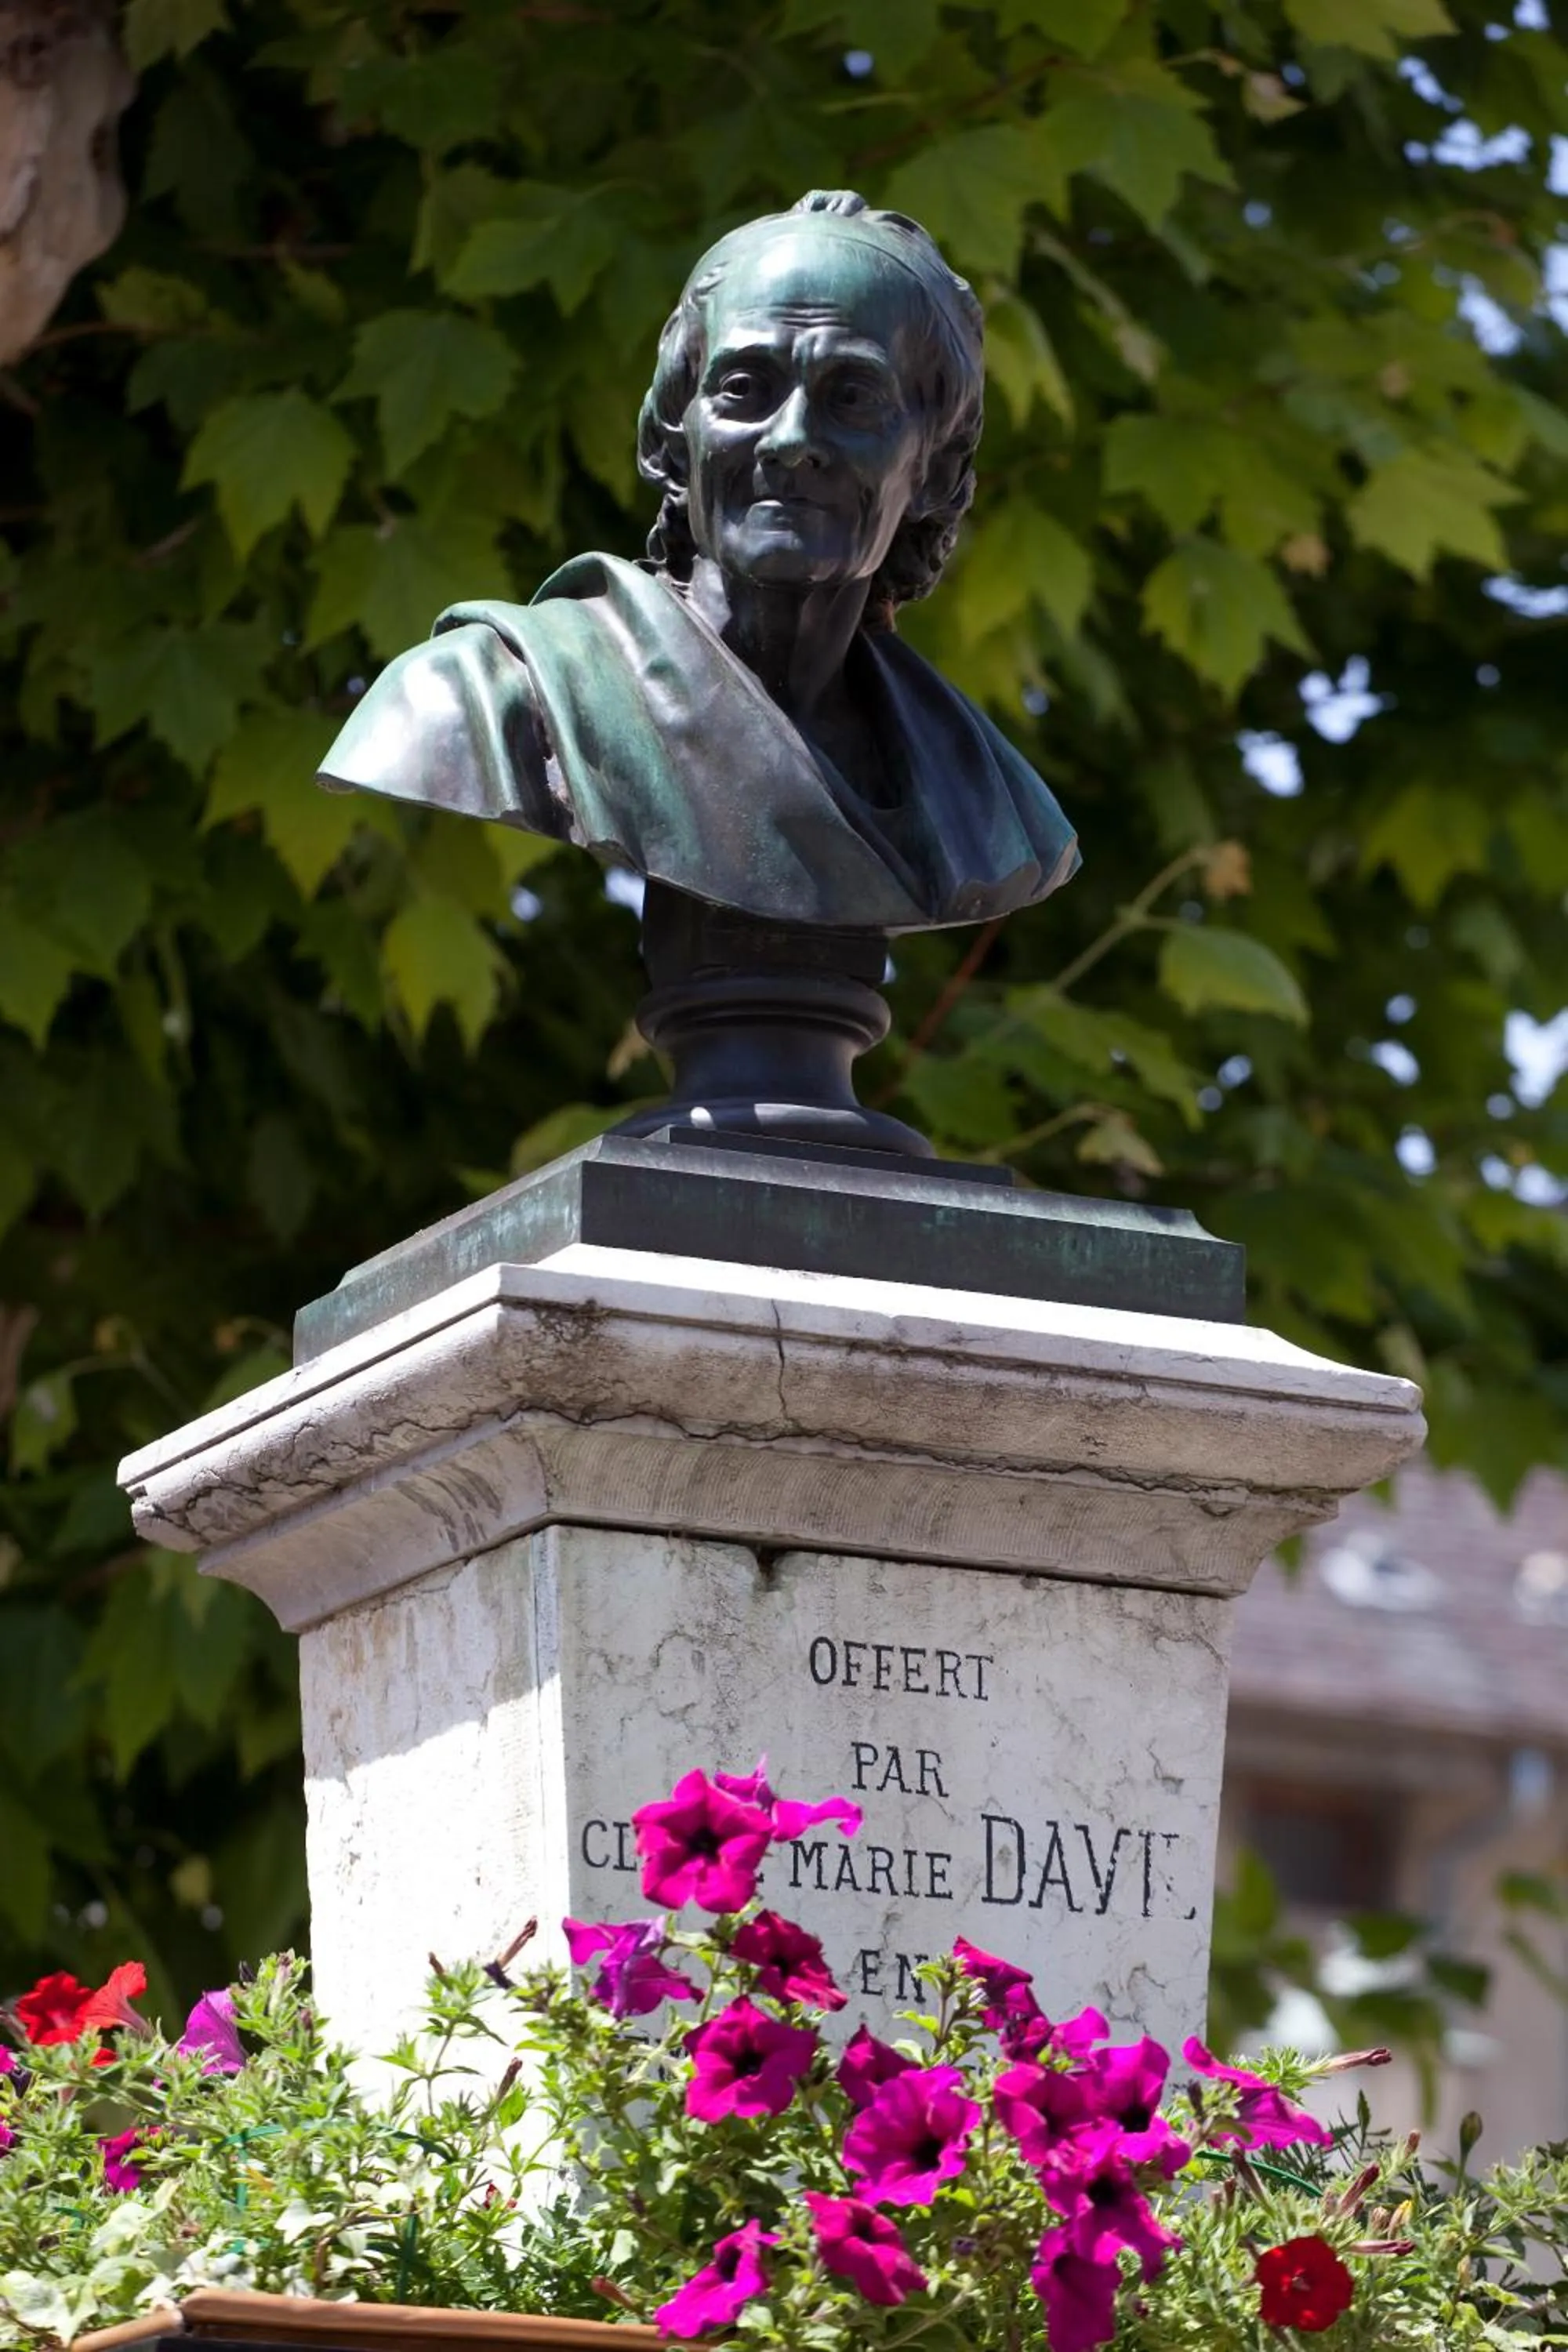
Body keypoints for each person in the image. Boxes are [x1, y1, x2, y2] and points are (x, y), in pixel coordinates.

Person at [317, 191, 1078, 938]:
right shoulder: (475, 700)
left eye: (851, 396)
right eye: (745, 389)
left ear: (936, 470)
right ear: (668, 439)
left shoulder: (994, 809)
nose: (789, 439)